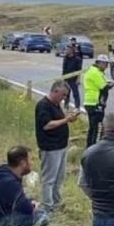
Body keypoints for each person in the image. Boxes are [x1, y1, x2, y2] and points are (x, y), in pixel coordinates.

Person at [0, 146, 48, 226]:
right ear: (23, 163)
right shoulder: (10, 182)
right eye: (30, 160)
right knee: (42, 216)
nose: (32, 163)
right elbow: (27, 208)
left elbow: (19, 201)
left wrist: (30, 202)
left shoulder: (3, 174)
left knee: (37, 210)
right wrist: (33, 205)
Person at [35, 81, 77, 213]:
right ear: (55, 91)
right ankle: (47, 206)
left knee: (59, 177)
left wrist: (68, 118)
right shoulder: (43, 105)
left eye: (66, 96)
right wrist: (65, 120)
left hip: (61, 146)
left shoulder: (56, 105)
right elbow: (47, 125)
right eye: (63, 95)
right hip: (50, 147)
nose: (64, 98)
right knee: (49, 179)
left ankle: (56, 202)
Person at [83, 55, 112, 148]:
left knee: (92, 128)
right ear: (100, 63)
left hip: (91, 102)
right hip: (95, 103)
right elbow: (103, 86)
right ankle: (94, 147)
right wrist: (111, 84)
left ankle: (89, 146)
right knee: (97, 128)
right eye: (106, 64)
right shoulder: (95, 72)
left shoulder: (94, 71)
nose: (106, 67)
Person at [61, 39, 83, 110]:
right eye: (66, 49)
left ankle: (77, 107)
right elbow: (64, 69)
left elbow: (79, 70)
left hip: (74, 79)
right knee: (66, 93)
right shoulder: (65, 59)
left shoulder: (77, 59)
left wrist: (78, 79)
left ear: (71, 50)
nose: (66, 51)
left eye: (68, 50)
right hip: (66, 78)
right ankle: (66, 105)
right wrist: (63, 79)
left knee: (75, 94)